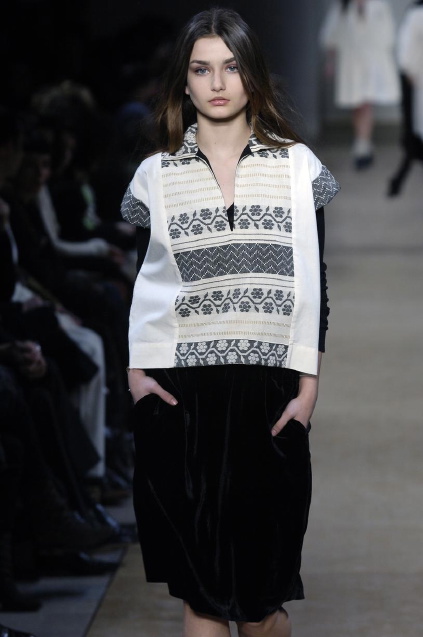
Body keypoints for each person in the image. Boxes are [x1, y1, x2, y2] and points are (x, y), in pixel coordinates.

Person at [123, 8, 340, 637]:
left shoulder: (299, 167)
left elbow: (314, 281)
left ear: (253, 75)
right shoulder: (156, 175)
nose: (218, 83)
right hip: (181, 395)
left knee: (265, 603)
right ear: (184, 81)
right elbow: (142, 283)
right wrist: (138, 378)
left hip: (270, 394)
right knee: (202, 596)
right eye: (202, 69)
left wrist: (308, 388)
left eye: (232, 67)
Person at [320, 0, 400, 169]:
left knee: (365, 103)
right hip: (351, 64)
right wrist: (330, 62)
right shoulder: (343, 7)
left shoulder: (379, 5)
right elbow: (331, 36)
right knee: (356, 104)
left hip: (371, 63)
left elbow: (388, 35)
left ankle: (362, 144)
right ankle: (363, 142)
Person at [388, 0, 423, 195]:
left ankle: (397, 182)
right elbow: (406, 51)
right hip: (416, 80)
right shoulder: (417, 15)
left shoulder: (415, 14)